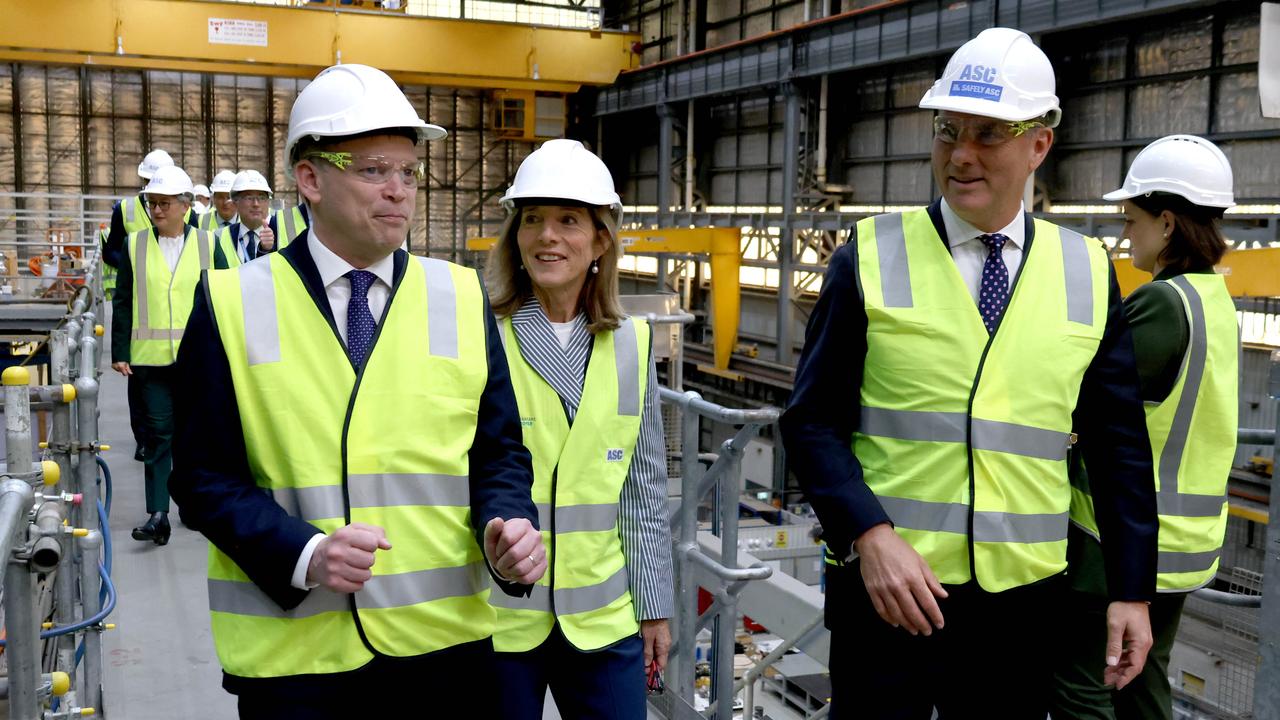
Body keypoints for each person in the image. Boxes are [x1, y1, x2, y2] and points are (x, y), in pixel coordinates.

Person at [780, 28, 1159, 718]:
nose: (960, 156)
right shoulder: (867, 256)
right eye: (947, 131)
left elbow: (1118, 448)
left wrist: (1132, 591)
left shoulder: (1085, 271)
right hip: (887, 594)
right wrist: (869, 533)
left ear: (1039, 144)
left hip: (1022, 609)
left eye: (988, 134)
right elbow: (811, 421)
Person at [170, 63, 545, 719]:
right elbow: (203, 477)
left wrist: (506, 524)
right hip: (299, 663)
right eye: (374, 170)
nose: (399, 191)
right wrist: (304, 553)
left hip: (444, 654)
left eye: (408, 172)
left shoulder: (458, 297)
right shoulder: (233, 302)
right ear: (310, 179)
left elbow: (499, 453)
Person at [484, 139, 674, 719]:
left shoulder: (633, 345)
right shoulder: (482, 333)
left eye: (569, 220)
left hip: (603, 618)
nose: (547, 236)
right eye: (533, 220)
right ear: (515, 238)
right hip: (500, 619)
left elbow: (643, 493)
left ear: (599, 241)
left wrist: (654, 606)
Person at [1051, 135, 1239, 720]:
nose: (1125, 235)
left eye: (1130, 221)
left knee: (1081, 680)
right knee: (1139, 676)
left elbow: (1086, 396)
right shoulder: (1215, 301)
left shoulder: (1163, 304)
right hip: (1185, 543)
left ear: (1166, 222)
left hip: (1118, 540)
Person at [110, 165, 223, 546]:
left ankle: (190, 503)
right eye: (152, 204)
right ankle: (158, 515)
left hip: (198, 362)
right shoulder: (134, 244)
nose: (156, 211)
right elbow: (123, 300)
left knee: (192, 439)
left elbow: (229, 298)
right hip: (150, 360)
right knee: (158, 437)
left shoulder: (210, 244)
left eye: (164, 204)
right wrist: (120, 349)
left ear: (185, 206)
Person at [101, 147, 180, 463]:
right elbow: (110, 253)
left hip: (172, 305)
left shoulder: (188, 215)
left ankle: (170, 439)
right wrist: (137, 264)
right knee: (139, 382)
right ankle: (143, 439)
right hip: (139, 303)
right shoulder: (126, 211)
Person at [214, 170, 277, 267]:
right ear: (235, 203)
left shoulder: (281, 235)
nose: (256, 204)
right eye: (249, 198)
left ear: (268, 202)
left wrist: (267, 250)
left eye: (261, 198)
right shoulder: (218, 237)